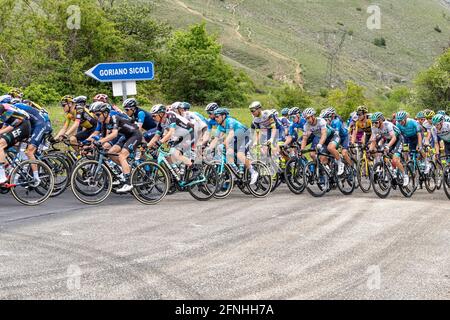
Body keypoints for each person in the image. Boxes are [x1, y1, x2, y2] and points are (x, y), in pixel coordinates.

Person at [91, 102, 143, 193]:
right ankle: (125, 170)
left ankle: (128, 183)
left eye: (98, 114)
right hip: (126, 136)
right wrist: (93, 145)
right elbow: (103, 138)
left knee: (122, 156)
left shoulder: (114, 118)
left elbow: (114, 134)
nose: (96, 116)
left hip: (135, 135)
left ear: (105, 113)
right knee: (111, 152)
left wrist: (100, 142)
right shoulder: (103, 123)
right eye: (95, 114)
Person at [207, 108, 259, 184]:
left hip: (246, 136)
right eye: (215, 117)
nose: (216, 118)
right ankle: (235, 173)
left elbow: (231, 134)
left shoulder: (229, 121)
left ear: (223, 116)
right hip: (237, 138)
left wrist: (225, 143)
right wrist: (208, 149)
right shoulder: (220, 126)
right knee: (228, 153)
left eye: (217, 116)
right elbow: (216, 139)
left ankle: (253, 172)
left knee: (239, 154)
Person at [369, 112, 409, 187]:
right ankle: (391, 170)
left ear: (381, 121)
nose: (374, 124)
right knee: (381, 153)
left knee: (395, 159)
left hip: (397, 139)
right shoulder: (374, 128)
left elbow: (394, 137)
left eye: (376, 122)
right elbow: (373, 140)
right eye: (373, 122)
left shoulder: (388, 125)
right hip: (388, 140)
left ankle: (405, 175)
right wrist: (370, 150)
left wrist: (387, 147)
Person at [300, 107, 344, 175]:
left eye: (308, 118)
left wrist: (320, 144)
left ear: (313, 116)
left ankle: (340, 163)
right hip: (323, 139)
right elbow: (304, 139)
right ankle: (327, 171)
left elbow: (324, 134)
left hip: (332, 136)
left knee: (330, 148)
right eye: (306, 118)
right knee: (318, 157)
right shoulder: (306, 125)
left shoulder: (321, 121)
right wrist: (302, 150)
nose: (307, 120)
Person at [0, 103, 31, 184]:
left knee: (0, 144)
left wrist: (1, 132)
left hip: (23, 125)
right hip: (19, 125)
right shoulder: (3, 108)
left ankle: (2, 176)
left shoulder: (4, 108)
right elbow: (4, 125)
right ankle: (8, 167)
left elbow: (14, 124)